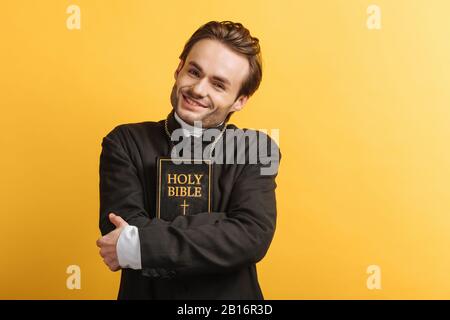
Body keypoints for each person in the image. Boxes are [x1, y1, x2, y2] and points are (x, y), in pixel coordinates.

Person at [96, 20, 281, 299]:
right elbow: (117, 231)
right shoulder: (124, 142)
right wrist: (222, 226)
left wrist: (141, 245)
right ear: (178, 68)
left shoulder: (256, 148)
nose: (198, 89)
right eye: (194, 72)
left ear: (240, 100)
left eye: (218, 85)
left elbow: (251, 237)